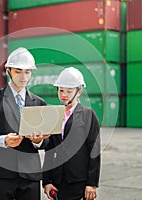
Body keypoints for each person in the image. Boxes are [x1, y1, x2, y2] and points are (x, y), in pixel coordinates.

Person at [0, 47, 49, 200]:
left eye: (27, 72)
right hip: (2, 172)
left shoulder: (39, 103)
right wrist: (3, 140)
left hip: (30, 174)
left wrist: (38, 141)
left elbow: (47, 140)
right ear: (8, 70)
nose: (23, 76)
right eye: (18, 71)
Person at [43, 67, 101, 200]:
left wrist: (92, 184)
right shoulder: (54, 115)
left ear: (79, 91)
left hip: (79, 181)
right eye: (61, 90)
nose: (64, 94)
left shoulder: (87, 115)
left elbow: (94, 150)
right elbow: (49, 150)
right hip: (57, 182)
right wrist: (47, 181)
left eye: (69, 91)